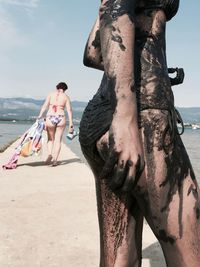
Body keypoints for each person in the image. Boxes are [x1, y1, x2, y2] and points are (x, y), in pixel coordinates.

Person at [79, 0, 200, 266]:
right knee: (190, 254)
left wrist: (158, 70)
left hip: (101, 119)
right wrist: (125, 119)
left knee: (119, 258)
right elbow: (116, 9)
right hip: (142, 121)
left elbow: (93, 52)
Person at [38, 82, 74, 166]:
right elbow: (69, 110)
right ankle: (55, 160)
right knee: (58, 140)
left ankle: (50, 154)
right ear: (65, 89)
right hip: (61, 117)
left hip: (50, 116)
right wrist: (71, 123)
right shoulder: (66, 97)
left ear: (57, 87)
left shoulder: (51, 94)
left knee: (50, 139)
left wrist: (40, 116)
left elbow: (45, 106)